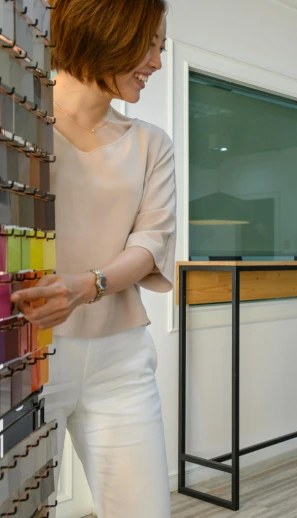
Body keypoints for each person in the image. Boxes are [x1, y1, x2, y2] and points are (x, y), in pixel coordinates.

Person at [10, 1, 175, 516]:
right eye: (149, 44)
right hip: (23, 355)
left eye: (161, 48)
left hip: (120, 358)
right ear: (106, 31)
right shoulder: (17, 120)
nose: (157, 63)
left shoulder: (150, 144)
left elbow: (152, 243)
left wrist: (88, 285)